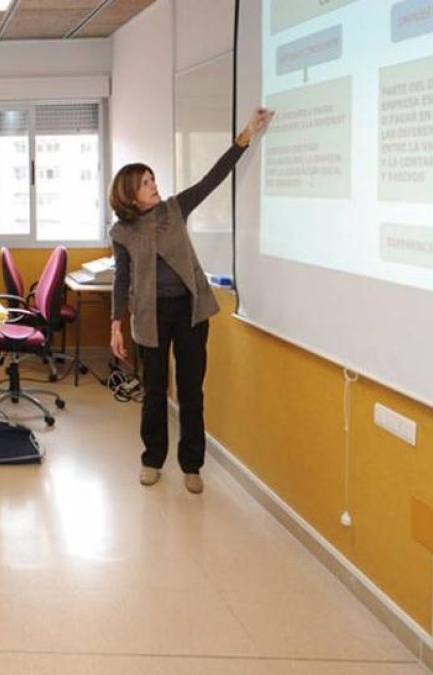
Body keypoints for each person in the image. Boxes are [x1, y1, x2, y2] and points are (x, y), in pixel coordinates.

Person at [108, 107, 273, 494]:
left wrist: (244, 137)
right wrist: (117, 324)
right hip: (149, 317)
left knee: (190, 389)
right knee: (153, 392)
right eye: (146, 182)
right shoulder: (122, 233)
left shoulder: (175, 209)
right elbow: (122, 279)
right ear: (131, 193)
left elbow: (212, 178)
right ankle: (152, 459)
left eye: (153, 179)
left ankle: (192, 464)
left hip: (190, 310)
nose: (154, 185)